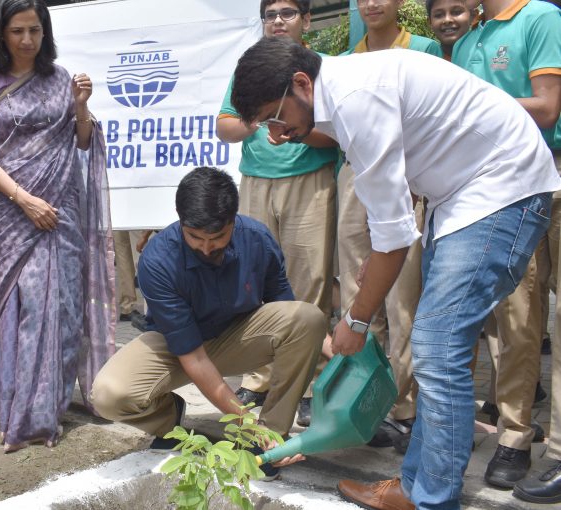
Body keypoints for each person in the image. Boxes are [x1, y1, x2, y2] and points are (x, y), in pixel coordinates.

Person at [229, 37, 560, 510]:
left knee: (437, 349)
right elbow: (394, 218)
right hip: (464, 198)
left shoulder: (355, 101)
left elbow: (393, 240)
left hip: (500, 191)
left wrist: (355, 322)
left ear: (302, 84)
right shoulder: (349, 92)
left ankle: (430, 500)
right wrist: (382, 254)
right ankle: (416, 487)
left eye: (275, 117)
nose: (276, 134)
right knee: (437, 348)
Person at [91, 166, 327, 479]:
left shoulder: (256, 239)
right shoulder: (158, 261)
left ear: (233, 220)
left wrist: (332, 348)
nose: (206, 247)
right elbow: (195, 358)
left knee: (309, 317)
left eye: (217, 237)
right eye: (195, 237)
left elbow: (288, 311)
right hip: (176, 347)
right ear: (180, 220)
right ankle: (169, 418)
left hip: (237, 338)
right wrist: (245, 420)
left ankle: (269, 442)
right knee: (109, 395)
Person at [0, 0, 115, 453]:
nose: (27, 40)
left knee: (63, 310)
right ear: (1, 33)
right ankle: (20, 415)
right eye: (17, 31)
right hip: (10, 213)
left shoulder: (61, 78)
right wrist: (23, 198)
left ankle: (48, 411)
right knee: (23, 311)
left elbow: (82, 141)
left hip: (59, 212)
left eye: (35, 30)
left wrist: (81, 106)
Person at [450, 0, 561, 490]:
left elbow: (547, 106)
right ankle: (515, 438)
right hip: (503, 191)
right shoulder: (469, 39)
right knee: (517, 321)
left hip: (552, 178)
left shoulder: (538, 16)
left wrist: (474, 106)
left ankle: (556, 452)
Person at [217, 0, 338, 427]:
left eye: (287, 13)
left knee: (310, 281)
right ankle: (259, 375)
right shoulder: (248, 69)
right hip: (256, 182)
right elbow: (224, 126)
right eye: (270, 15)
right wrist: (260, 118)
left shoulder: (324, 68)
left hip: (311, 181)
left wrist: (294, 130)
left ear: (306, 20)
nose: (277, 21)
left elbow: (337, 136)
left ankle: (308, 383)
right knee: (254, 278)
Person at [336, 0, 441, 454]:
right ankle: (364, 402)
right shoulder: (344, 61)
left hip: (407, 173)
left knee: (403, 296)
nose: (373, 3)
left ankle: (405, 405)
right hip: (353, 173)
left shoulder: (425, 48)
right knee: (356, 297)